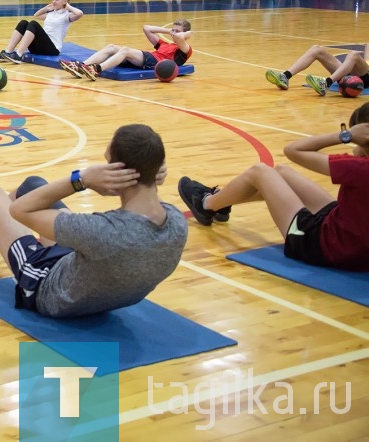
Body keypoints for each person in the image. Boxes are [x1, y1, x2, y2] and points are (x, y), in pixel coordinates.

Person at [0, 124, 187, 318]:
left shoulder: (102, 232)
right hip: (100, 284)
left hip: (47, 288)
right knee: (34, 184)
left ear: (117, 171)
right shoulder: (176, 222)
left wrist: (81, 179)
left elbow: (20, 211)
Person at [178, 103, 369, 272]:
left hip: (324, 245)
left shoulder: (359, 167)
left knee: (260, 172)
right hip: (350, 234)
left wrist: (346, 135)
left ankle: (206, 204)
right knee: (282, 172)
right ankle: (222, 200)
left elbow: (293, 150)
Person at [60, 20, 192, 81]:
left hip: (155, 62)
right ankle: (81, 66)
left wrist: (186, 33)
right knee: (111, 47)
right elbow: (146, 28)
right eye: (173, 30)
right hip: (146, 58)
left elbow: (181, 38)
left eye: (177, 31)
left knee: (125, 50)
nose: (174, 33)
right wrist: (169, 30)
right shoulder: (164, 43)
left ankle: (96, 70)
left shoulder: (184, 49)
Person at [0, 0, 83, 63]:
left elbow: (79, 14)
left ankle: (18, 55)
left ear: (65, 1)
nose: (53, 2)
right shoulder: (51, 14)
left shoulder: (67, 16)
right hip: (39, 47)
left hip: (52, 49)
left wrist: (68, 6)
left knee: (33, 24)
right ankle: (7, 52)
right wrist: (46, 8)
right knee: (23, 22)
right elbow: (36, 15)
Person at [265, 42, 368, 96]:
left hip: (366, 77)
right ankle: (285, 76)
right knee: (316, 49)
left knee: (354, 55)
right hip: (357, 71)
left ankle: (326, 83)